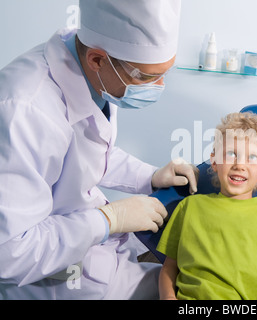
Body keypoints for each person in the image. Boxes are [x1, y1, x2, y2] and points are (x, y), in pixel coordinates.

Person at [0, 0, 198, 300]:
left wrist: (152, 176)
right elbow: (10, 252)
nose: (158, 86)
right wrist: (109, 219)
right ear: (97, 60)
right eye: (145, 77)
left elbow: (84, 153)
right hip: (53, 275)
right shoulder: (26, 110)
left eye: (164, 73)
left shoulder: (90, 68)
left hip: (93, 249)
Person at [157, 112, 257, 300]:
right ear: (214, 161)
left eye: (252, 157)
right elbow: (169, 267)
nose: (239, 165)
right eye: (231, 154)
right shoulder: (189, 207)